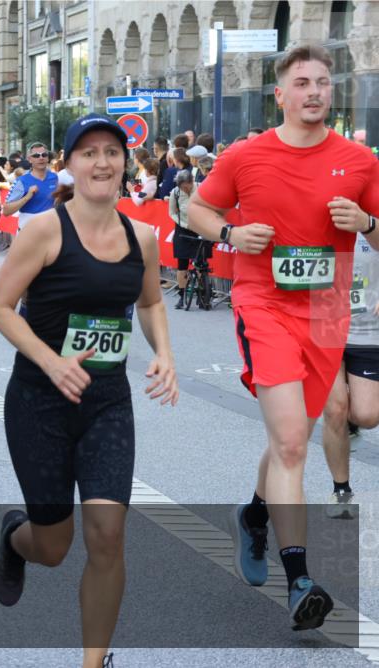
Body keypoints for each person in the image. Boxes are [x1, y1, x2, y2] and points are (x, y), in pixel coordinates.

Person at [188, 44, 379, 631]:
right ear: (281, 94)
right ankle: (299, 578)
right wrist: (229, 232)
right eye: (302, 82)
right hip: (262, 304)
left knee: (287, 434)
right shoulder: (248, 155)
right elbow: (194, 208)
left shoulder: (360, 160)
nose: (315, 91)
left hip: (326, 311)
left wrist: (368, 224)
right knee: (294, 440)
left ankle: (253, 515)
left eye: (323, 81)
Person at [0, 112, 178, 668]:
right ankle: (14, 539)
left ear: (125, 164)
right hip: (39, 401)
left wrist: (164, 354)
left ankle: (92, 662)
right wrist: (52, 362)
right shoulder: (45, 228)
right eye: (89, 153)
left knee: (108, 534)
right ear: (70, 163)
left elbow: (150, 302)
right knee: (53, 547)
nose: (102, 162)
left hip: (107, 402)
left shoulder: (141, 235)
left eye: (112, 153)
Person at [321, 228, 379, 519]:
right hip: (324, 326)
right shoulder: (321, 214)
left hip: (369, 331)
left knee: (366, 415)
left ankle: (352, 422)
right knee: (335, 410)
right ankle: (341, 491)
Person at [168, 169, 211, 309]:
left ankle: (202, 293)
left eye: (186, 186)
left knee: (201, 263)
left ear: (191, 182)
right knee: (182, 264)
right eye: (182, 187)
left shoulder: (202, 188)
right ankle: (181, 295)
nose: (184, 189)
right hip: (183, 228)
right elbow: (172, 213)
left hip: (200, 226)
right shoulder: (175, 192)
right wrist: (184, 224)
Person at [2, 141, 58, 232]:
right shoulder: (21, 181)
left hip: (49, 234)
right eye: (36, 155)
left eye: (44, 155)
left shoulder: (55, 178)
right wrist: (27, 197)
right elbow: (6, 211)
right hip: (27, 234)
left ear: (48, 158)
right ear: (29, 159)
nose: (41, 158)